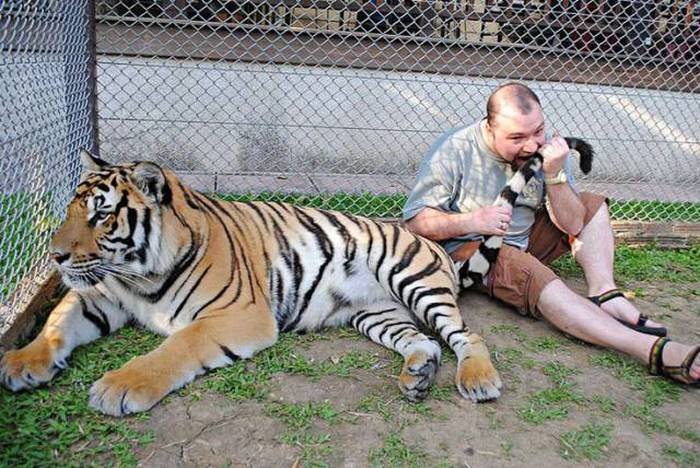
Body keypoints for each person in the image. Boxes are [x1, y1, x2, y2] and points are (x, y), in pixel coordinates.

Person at [403, 82, 699, 385]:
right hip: (472, 251)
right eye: (517, 138)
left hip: (525, 240)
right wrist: (472, 221)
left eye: (538, 131)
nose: (532, 146)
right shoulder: (454, 149)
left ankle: (604, 292)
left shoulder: (547, 151)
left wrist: (554, 175)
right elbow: (415, 223)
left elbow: (574, 224)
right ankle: (650, 349)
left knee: (591, 204)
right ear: (490, 128)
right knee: (529, 270)